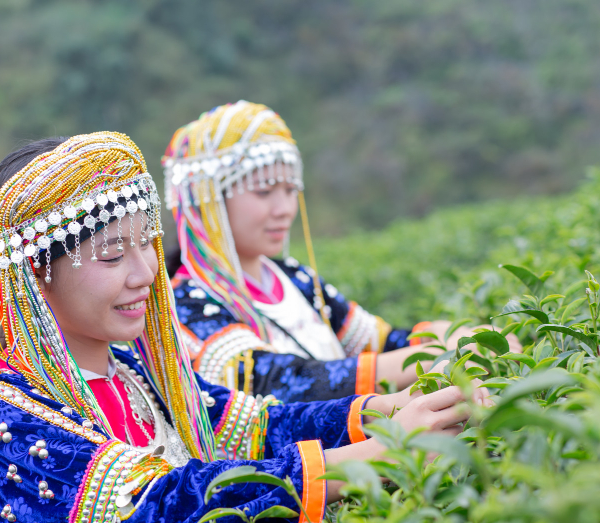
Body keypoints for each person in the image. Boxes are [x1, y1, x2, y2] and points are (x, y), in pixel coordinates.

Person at [0, 132, 481, 523]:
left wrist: (386, 411)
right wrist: (380, 453)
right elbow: (159, 512)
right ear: (36, 273)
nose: (145, 272)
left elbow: (256, 427)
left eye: (147, 243)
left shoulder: (136, 370)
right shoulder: (1, 412)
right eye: (112, 255)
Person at [163, 101, 519, 403]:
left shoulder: (294, 278)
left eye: (290, 190)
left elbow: (375, 343)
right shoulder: (186, 304)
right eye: (264, 192)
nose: (285, 209)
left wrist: (451, 335)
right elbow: (281, 383)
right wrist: (435, 358)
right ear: (207, 199)